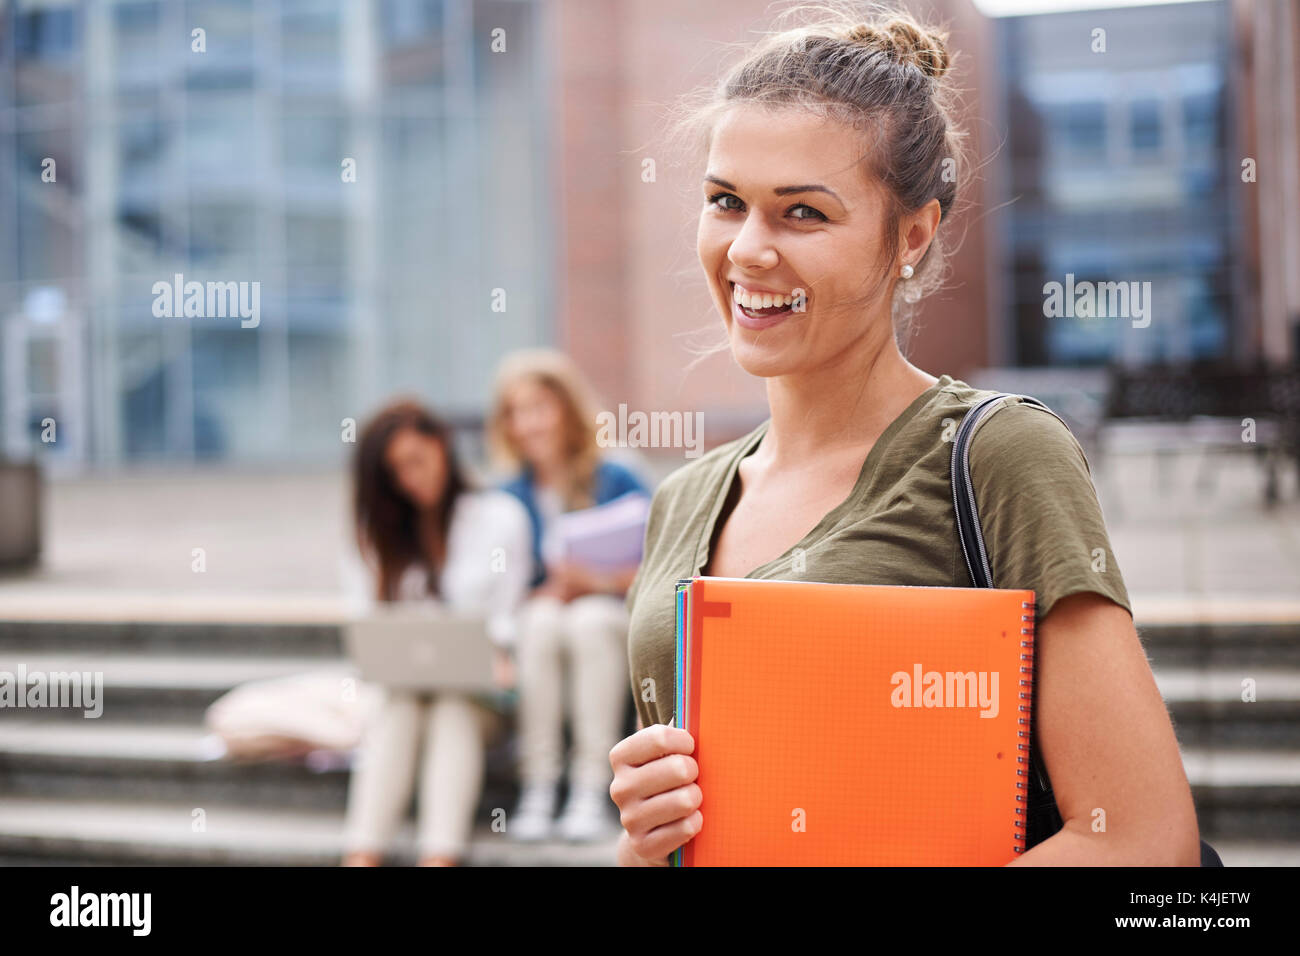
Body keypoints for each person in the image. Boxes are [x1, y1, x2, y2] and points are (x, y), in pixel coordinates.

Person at [609, 3, 1202, 866]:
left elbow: (1146, 843)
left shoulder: (997, 455)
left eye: (802, 213)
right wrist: (643, 839)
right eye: (725, 202)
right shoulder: (682, 500)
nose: (747, 250)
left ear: (912, 236)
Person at [341, 399, 533, 866]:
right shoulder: (380, 538)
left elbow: (512, 613)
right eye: (396, 472)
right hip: (403, 697)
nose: (411, 478)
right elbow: (369, 625)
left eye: (417, 461)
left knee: (452, 708)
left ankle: (438, 859)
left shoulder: (498, 516)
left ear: (442, 445)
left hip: (483, 696)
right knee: (400, 708)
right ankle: (361, 857)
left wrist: (496, 652)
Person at [488, 349, 650, 841]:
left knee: (589, 621)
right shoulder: (508, 494)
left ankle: (588, 786)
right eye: (516, 412)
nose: (529, 424)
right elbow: (505, 586)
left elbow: (658, 566)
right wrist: (549, 593)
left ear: (567, 409)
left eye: (540, 407)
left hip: (610, 614)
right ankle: (539, 782)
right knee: (540, 622)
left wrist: (591, 583)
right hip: (545, 622)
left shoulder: (615, 476)